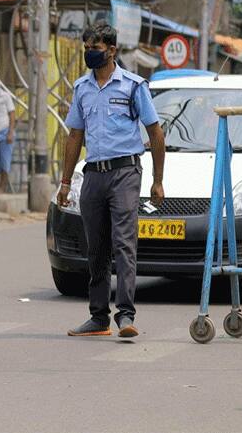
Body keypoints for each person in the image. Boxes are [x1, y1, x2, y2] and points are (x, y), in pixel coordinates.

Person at [58, 22, 165, 338]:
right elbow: (75, 135)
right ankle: (98, 317)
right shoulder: (81, 89)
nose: (90, 52)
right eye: (87, 47)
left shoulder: (133, 86)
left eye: (96, 48)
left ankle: (126, 316)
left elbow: (155, 133)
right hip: (93, 174)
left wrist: (158, 180)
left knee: (123, 243)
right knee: (97, 248)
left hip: (125, 173)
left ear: (112, 50)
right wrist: (65, 183)